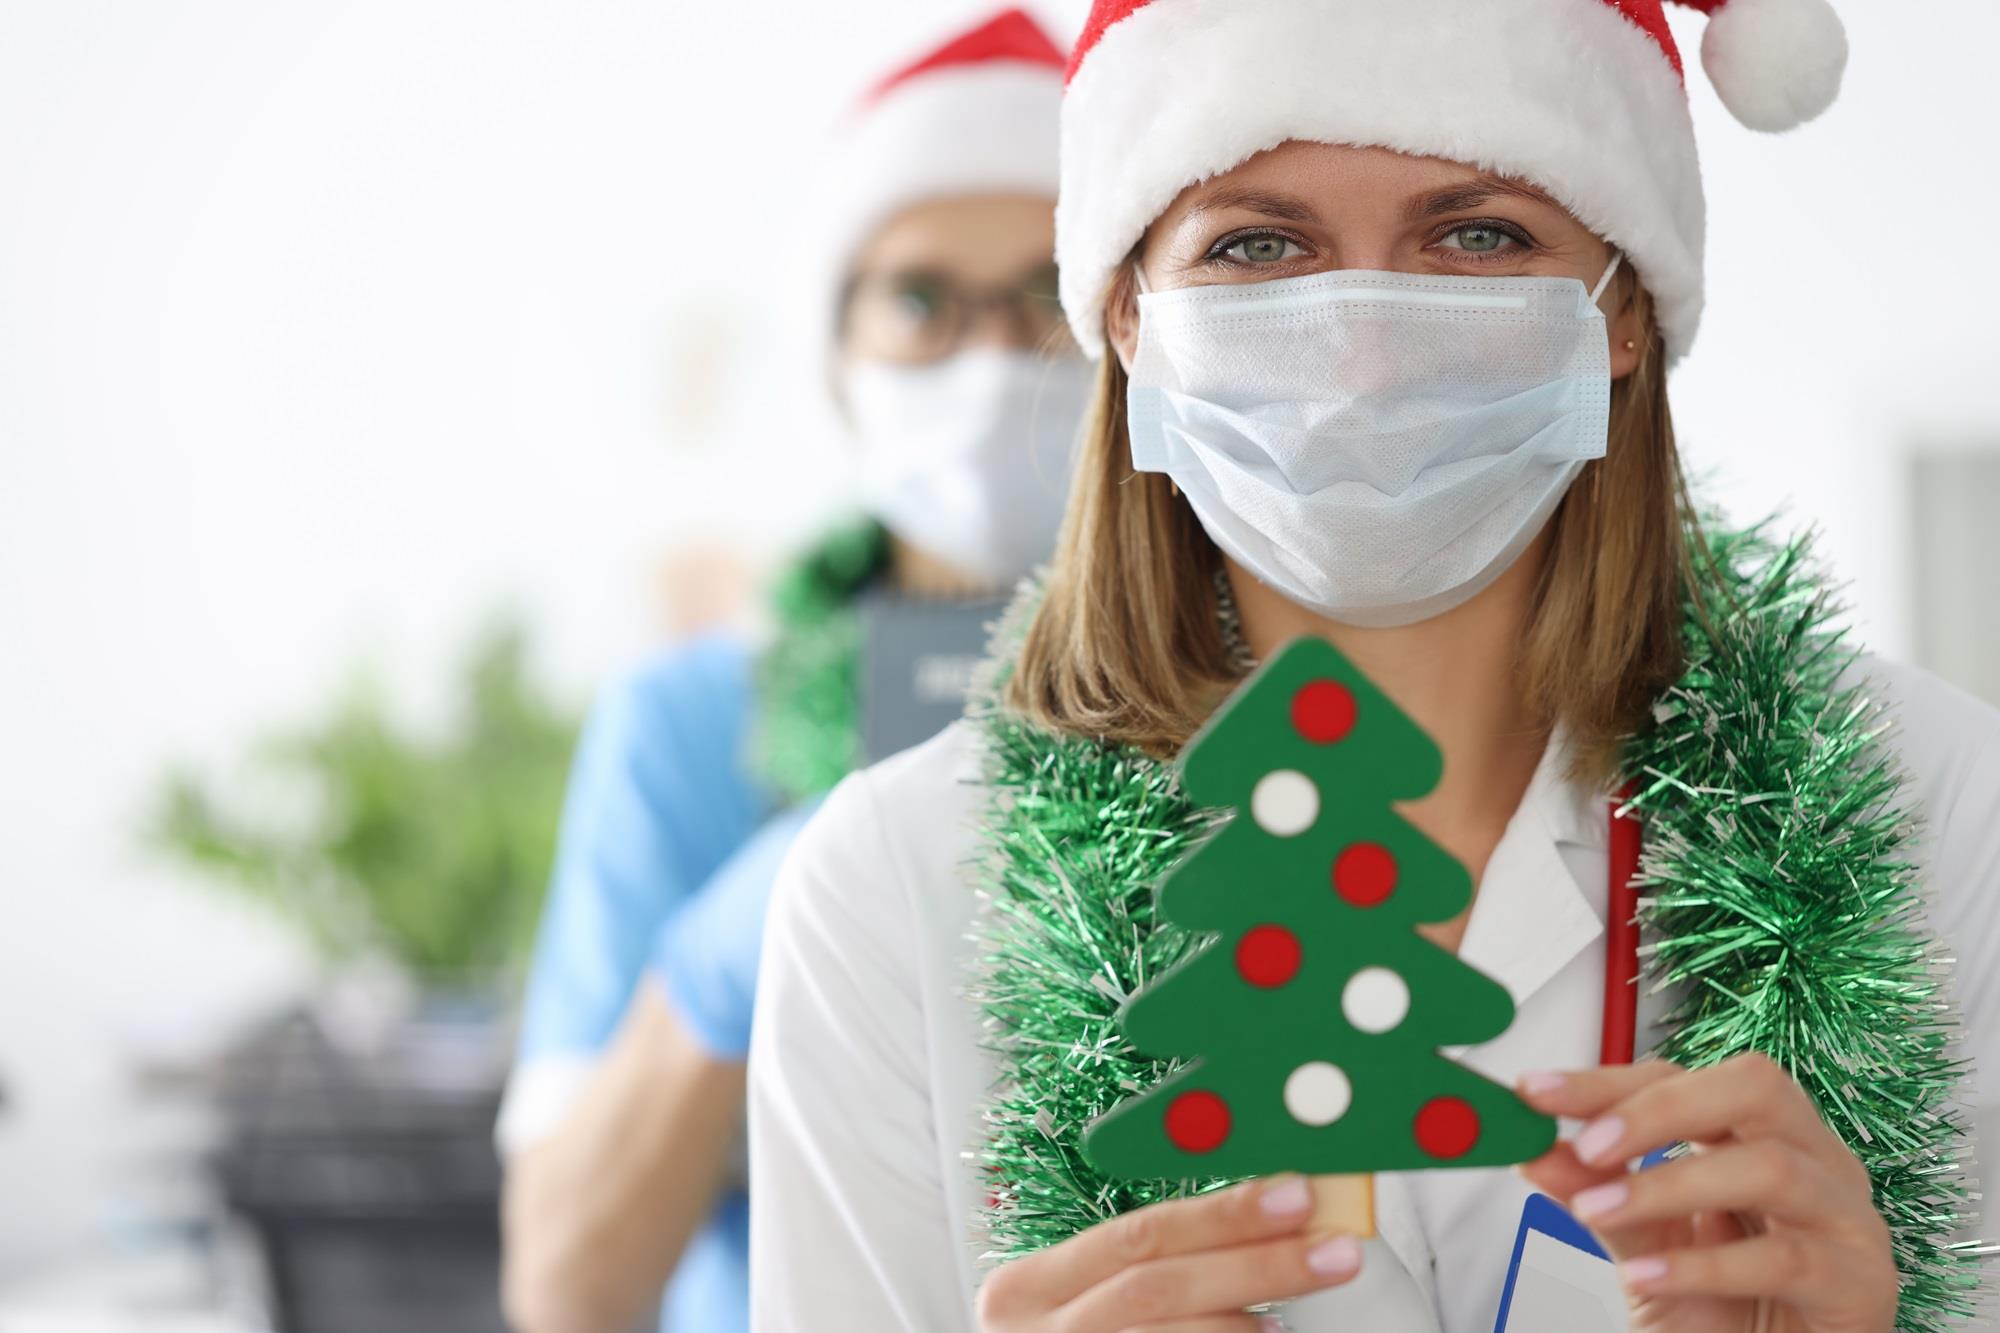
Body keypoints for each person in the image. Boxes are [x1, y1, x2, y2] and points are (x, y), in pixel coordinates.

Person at [748, 1, 2000, 1330]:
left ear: (1624, 305)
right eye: (1256, 243)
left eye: (1477, 232)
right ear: (1127, 318)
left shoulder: (1934, 810)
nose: (1359, 352)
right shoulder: (894, 886)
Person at [496, 12, 1086, 1333]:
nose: (992, 354)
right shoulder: (689, 725)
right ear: (837, 344)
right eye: (922, 299)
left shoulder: (1261, 696)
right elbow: (567, 1289)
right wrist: (736, 936)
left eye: (1048, 291)